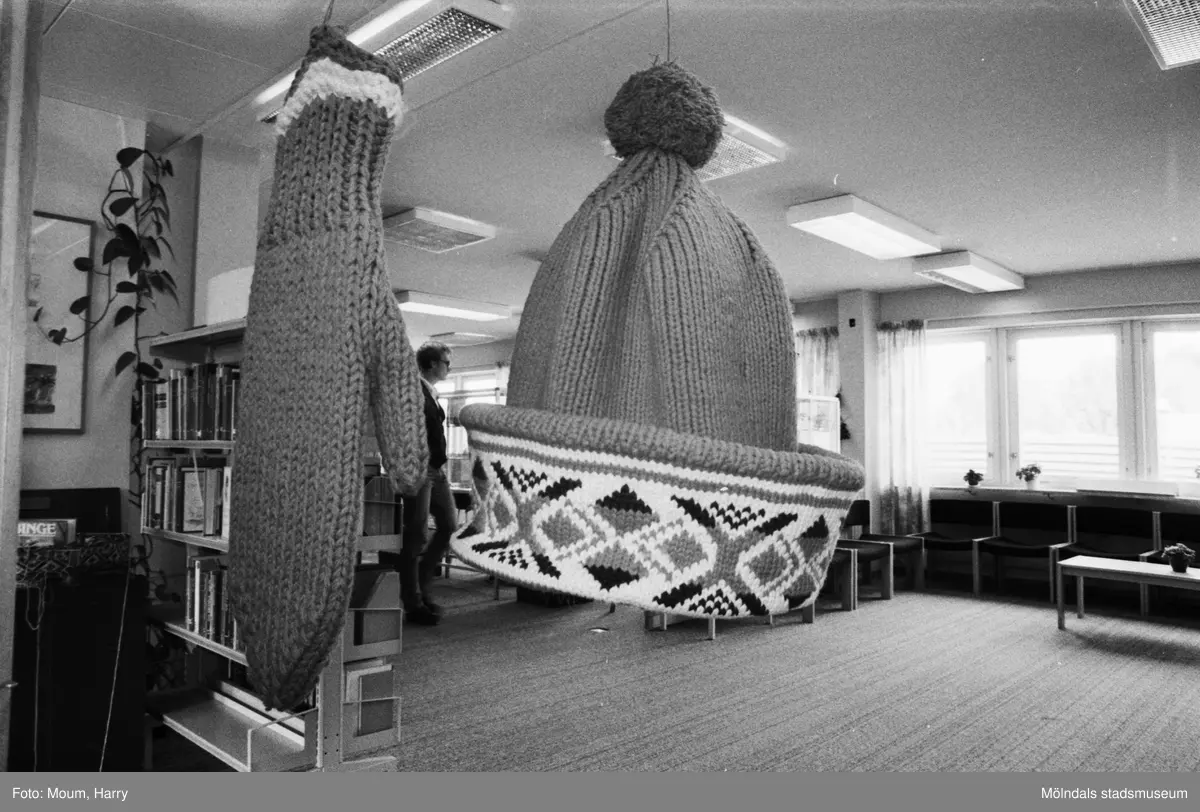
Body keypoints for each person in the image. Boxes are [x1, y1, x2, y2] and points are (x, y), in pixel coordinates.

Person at [397, 341, 458, 625]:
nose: (449, 368)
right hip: (420, 470)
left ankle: (422, 582)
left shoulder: (431, 393)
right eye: (446, 363)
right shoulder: (414, 392)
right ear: (432, 364)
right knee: (416, 535)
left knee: (449, 525)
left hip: (436, 470)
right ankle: (414, 602)